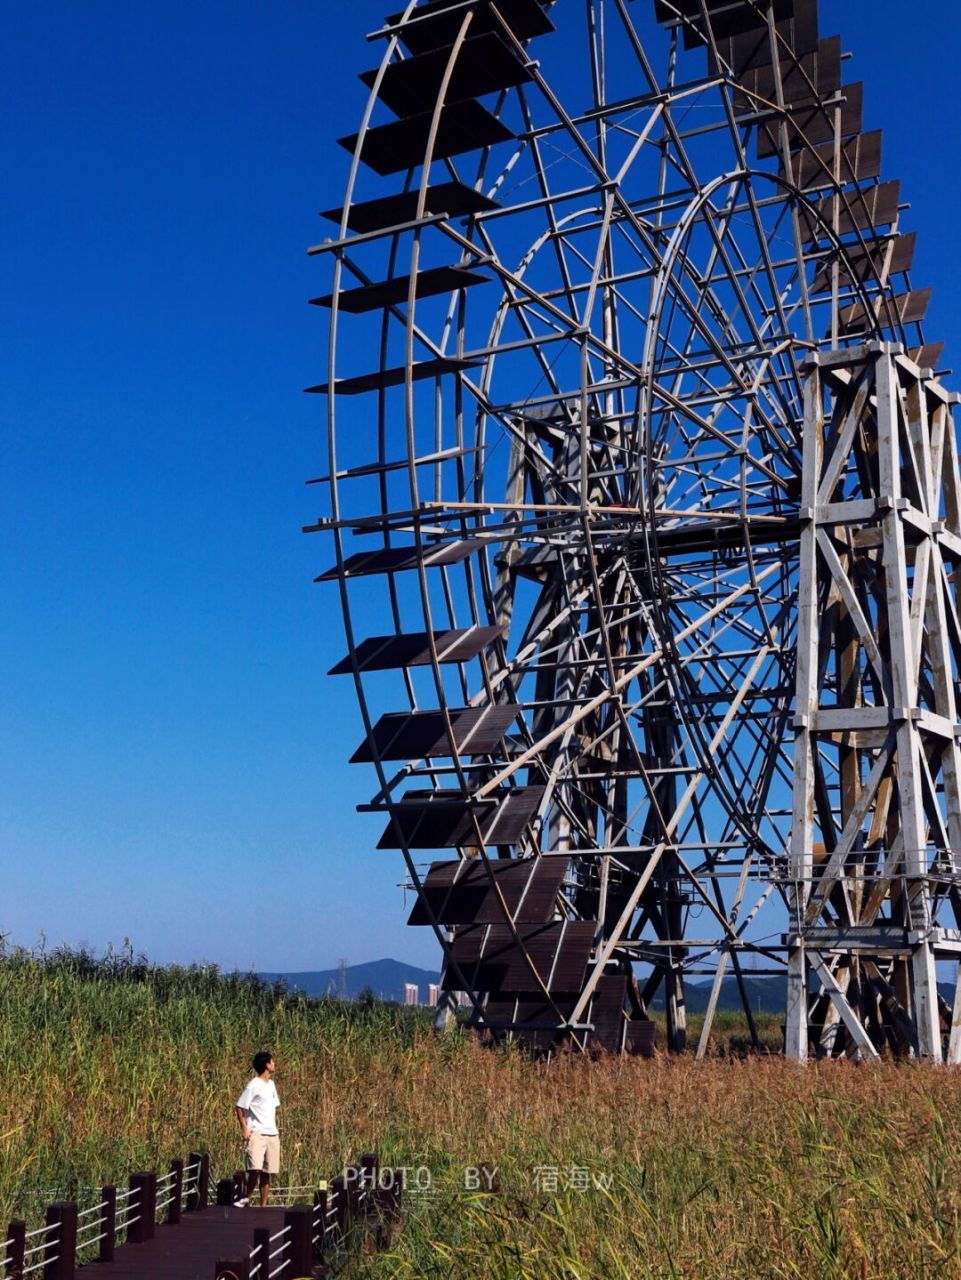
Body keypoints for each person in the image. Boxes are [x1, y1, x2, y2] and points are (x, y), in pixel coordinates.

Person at [235, 1051, 280, 1206]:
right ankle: (246, 1197)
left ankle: (263, 1207)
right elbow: (240, 1107)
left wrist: (275, 1125)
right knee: (255, 1170)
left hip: (272, 1134)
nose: (274, 1063)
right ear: (267, 1065)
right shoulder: (253, 1084)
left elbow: (274, 1108)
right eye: (272, 1061)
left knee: (267, 1173)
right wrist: (245, 1128)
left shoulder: (272, 1085)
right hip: (257, 1133)